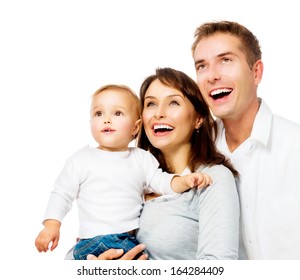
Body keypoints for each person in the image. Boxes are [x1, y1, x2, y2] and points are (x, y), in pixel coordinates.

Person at [35, 84, 212, 260]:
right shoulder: (80, 159)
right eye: (98, 114)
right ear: (90, 123)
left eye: (117, 113)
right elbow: (61, 194)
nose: (106, 119)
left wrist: (186, 180)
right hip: (92, 242)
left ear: (136, 127)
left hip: (124, 240)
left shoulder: (141, 159)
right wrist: (52, 225)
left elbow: (162, 182)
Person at [87, 67, 240, 260]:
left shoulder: (212, 178)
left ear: (198, 119)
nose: (158, 113)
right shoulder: (132, 175)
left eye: (173, 103)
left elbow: (219, 267)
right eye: (150, 104)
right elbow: (83, 247)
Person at [191, 20, 300, 260]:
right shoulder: (192, 151)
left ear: (256, 72)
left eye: (226, 60)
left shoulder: (295, 147)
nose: (212, 76)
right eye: (202, 66)